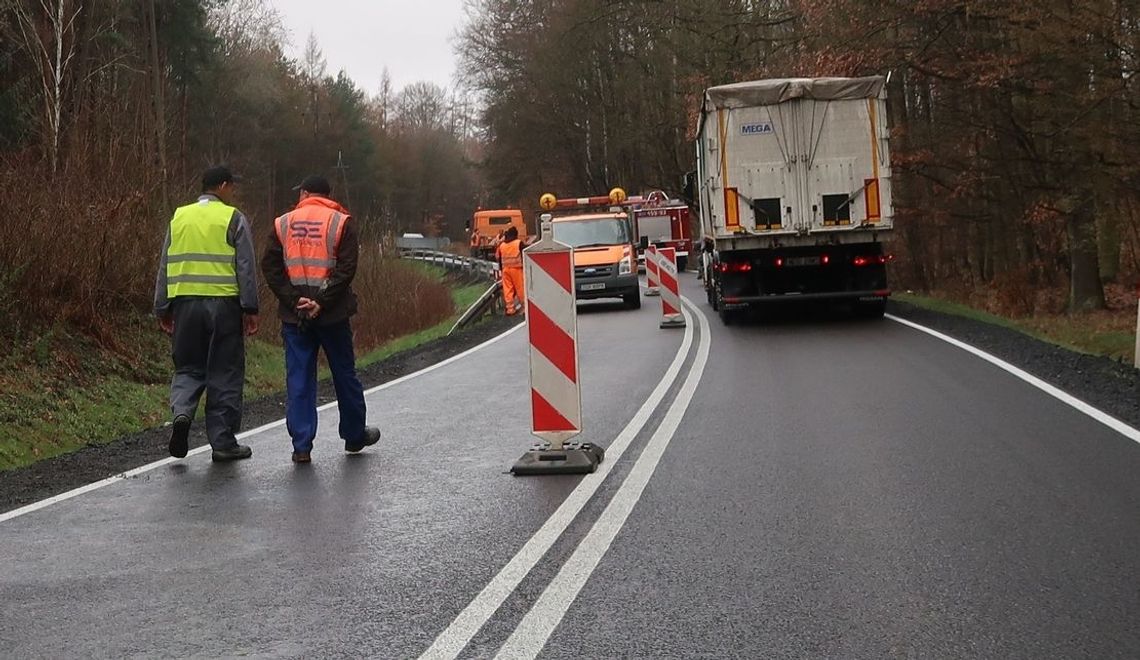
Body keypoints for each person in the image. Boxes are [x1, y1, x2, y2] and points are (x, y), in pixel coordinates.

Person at [261, 175, 381, 464]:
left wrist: (294, 299)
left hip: (295, 315)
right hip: (333, 314)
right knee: (343, 373)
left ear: (303, 193)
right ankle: (354, 436)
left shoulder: (283, 223)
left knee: (299, 378)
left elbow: (271, 266)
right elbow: (347, 269)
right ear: (329, 195)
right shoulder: (340, 222)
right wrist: (322, 301)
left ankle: (301, 446)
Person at [154, 165, 259, 462]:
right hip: (223, 307)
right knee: (224, 371)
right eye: (232, 187)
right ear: (223, 186)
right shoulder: (233, 218)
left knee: (188, 367)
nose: (233, 193)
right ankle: (223, 442)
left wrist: (162, 307)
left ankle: (183, 414)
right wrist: (250, 308)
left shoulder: (179, 217)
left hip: (185, 306)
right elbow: (246, 267)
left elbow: (165, 264)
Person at [496, 226, 524, 315]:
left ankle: (510, 309)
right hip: (517, 269)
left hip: (505, 270)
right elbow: (524, 255)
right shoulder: (518, 243)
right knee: (520, 288)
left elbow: (499, 258)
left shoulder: (502, 245)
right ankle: (524, 307)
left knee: (508, 289)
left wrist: (501, 269)